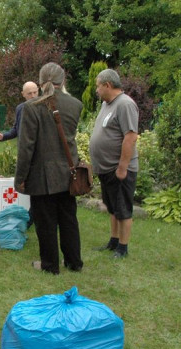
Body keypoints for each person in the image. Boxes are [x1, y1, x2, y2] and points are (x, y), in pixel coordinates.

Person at [15, 62, 84, 275]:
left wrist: (20, 177)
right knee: (69, 219)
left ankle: (50, 265)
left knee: (45, 222)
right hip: (68, 171)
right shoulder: (75, 104)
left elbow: (26, 147)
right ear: (63, 81)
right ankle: (74, 261)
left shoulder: (31, 107)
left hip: (41, 174)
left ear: (40, 82)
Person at [89, 69, 139, 259]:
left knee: (123, 209)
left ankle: (123, 248)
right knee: (113, 207)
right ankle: (114, 240)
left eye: (98, 86)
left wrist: (122, 167)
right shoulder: (106, 104)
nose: (96, 90)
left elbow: (130, 136)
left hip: (119, 169)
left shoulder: (125, 104)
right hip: (106, 169)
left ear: (107, 85)